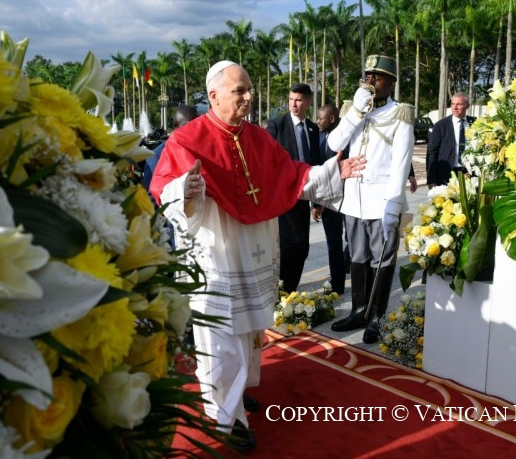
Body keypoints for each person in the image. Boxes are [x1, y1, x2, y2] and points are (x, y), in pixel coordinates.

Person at [150, 61, 364, 451]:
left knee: (248, 331)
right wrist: (186, 189)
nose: (249, 96)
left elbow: (292, 175)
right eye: (240, 90)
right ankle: (225, 417)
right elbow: (164, 190)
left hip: (252, 249)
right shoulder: (185, 140)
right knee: (221, 336)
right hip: (216, 253)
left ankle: (236, 391)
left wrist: (333, 172)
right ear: (214, 95)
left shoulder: (258, 138)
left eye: (249, 89)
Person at [328, 54, 415, 344]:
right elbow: (334, 143)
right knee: (357, 256)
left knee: (382, 259)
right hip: (354, 199)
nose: (371, 81)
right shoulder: (354, 109)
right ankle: (358, 310)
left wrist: (393, 205)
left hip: (381, 202)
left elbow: (401, 163)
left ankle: (376, 316)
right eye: (368, 76)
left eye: (377, 77)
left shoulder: (399, 114)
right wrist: (355, 111)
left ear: (391, 83)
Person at [265, 84, 321, 294]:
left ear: (307, 102)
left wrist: (316, 201)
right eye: (291, 99)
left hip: (304, 197)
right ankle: (281, 290)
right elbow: (267, 162)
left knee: (303, 247)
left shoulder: (312, 129)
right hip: (283, 197)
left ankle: (291, 290)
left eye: (298, 100)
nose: (294, 104)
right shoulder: (276, 126)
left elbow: (315, 164)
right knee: (288, 245)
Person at [311, 103, 348, 294]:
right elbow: (316, 172)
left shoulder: (347, 136)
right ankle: (337, 283)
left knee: (353, 241)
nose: (317, 122)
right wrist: (316, 203)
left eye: (320, 118)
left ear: (331, 119)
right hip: (328, 202)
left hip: (350, 198)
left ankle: (348, 263)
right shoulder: (317, 138)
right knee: (333, 243)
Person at [141, 105, 199, 197]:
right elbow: (150, 197)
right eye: (188, 126)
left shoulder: (205, 148)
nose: (194, 130)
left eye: (197, 125)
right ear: (176, 125)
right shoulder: (156, 156)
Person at [426, 92, 475, 188]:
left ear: (467, 106)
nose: (455, 107)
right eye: (453, 104)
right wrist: (431, 179)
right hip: (446, 175)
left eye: (459, 104)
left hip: (469, 174)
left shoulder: (475, 124)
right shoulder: (440, 126)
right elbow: (432, 152)